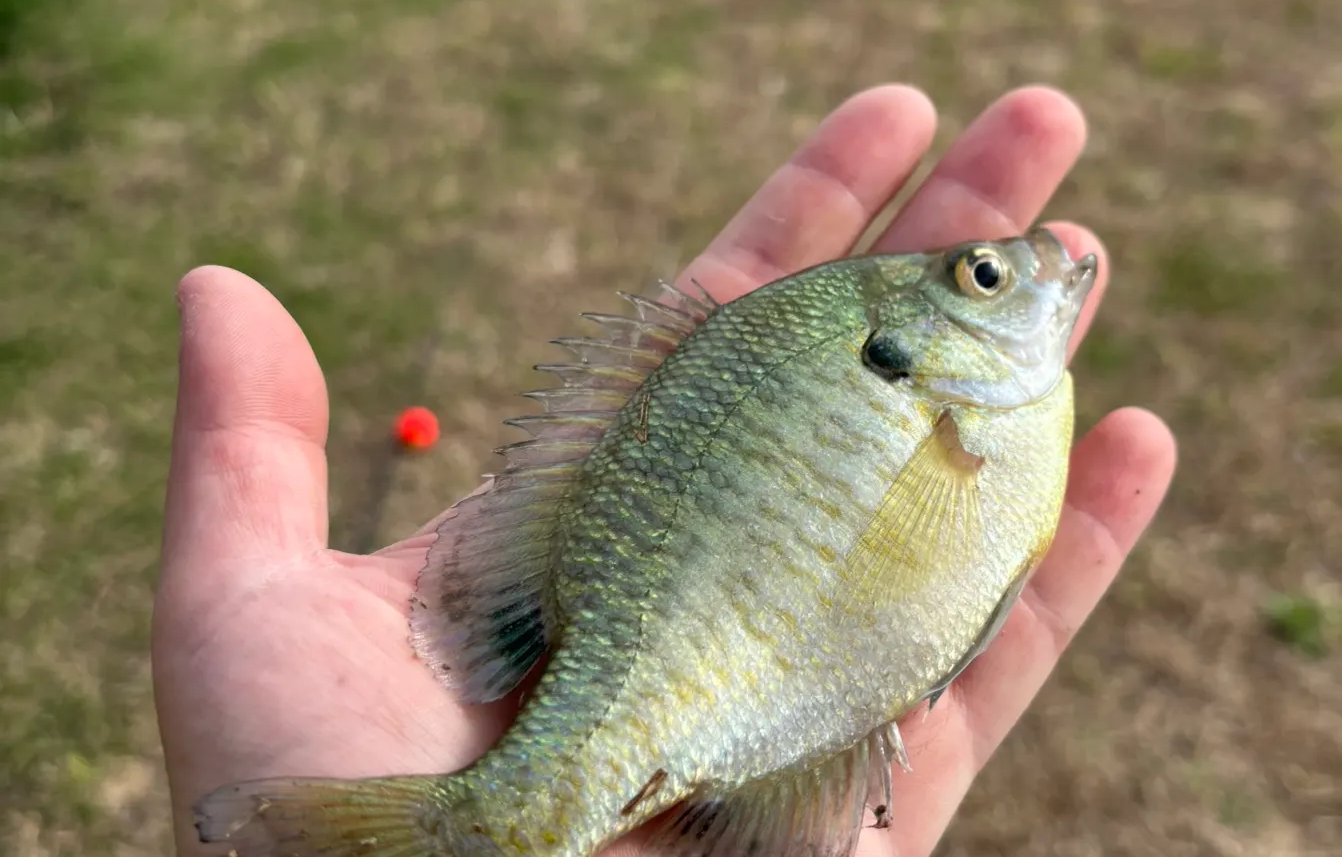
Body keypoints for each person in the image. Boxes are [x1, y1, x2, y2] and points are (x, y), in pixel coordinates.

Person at [152, 83, 1176, 856]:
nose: (1020, 272)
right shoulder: (958, 402)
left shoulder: (975, 405)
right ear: (899, 353)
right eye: (983, 278)